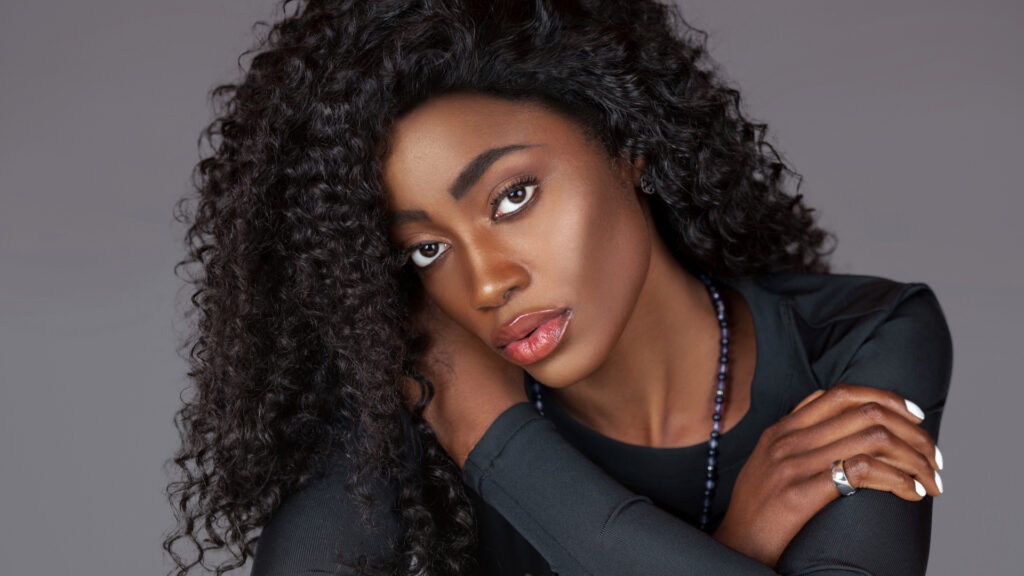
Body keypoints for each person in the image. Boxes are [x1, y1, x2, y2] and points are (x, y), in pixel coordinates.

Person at [164, 1, 953, 575]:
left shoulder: (861, 339)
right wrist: (736, 552)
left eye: (512, 197)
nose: (487, 281)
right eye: (428, 248)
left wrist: (489, 434)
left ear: (628, 144)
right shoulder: (400, 408)